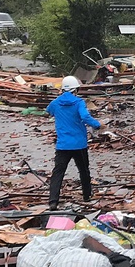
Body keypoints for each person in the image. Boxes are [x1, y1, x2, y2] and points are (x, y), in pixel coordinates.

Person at [46, 76, 103, 210]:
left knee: (58, 173)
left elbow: (48, 112)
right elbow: (84, 116)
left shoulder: (55, 103)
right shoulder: (79, 102)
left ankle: (53, 201)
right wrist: (97, 125)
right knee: (83, 170)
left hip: (63, 145)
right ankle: (87, 195)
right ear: (75, 89)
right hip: (79, 144)